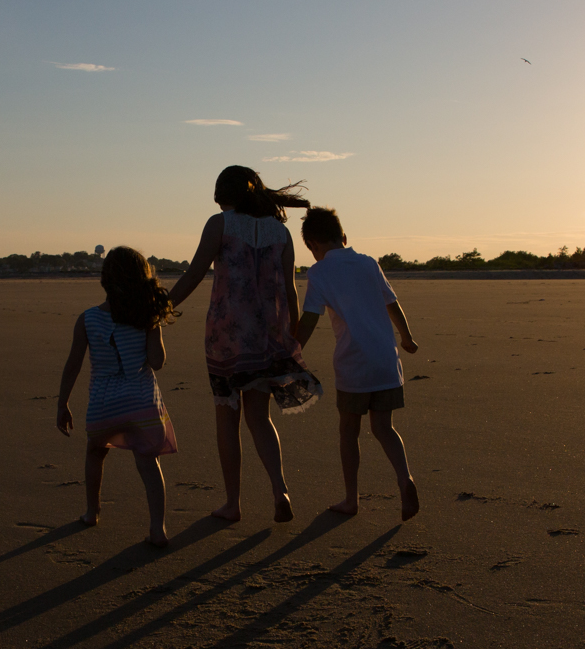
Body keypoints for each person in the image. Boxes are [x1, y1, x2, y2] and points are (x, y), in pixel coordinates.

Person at [167, 166, 322, 523]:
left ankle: (233, 503)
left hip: (226, 338)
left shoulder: (220, 224)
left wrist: (163, 307)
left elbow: (194, 273)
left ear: (227, 193)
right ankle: (279, 489)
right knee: (260, 417)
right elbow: (289, 289)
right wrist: (292, 337)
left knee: (227, 418)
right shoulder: (280, 232)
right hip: (267, 339)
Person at [293, 207, 420, 521]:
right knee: (384, 428)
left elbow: (310, 318)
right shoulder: (368, 263)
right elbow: (392, 303)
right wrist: (407, 337)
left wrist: (292, 353)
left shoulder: (319, 272)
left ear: (312, 245)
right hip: (386, 361)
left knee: (349, 430)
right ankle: (405, 479)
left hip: (354, 363)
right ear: (343, 236)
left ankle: (351, 499)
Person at [56, 247, 178, 546]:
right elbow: (157, 361)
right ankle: (157, 528)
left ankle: (91, 512)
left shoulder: (88, 319)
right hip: (142, 403)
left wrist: (63, 404)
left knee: (95, 452)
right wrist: (154, 328)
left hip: (104, 404)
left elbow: (73, 364)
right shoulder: (146, 317)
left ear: (105, 280)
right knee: (148, 463)